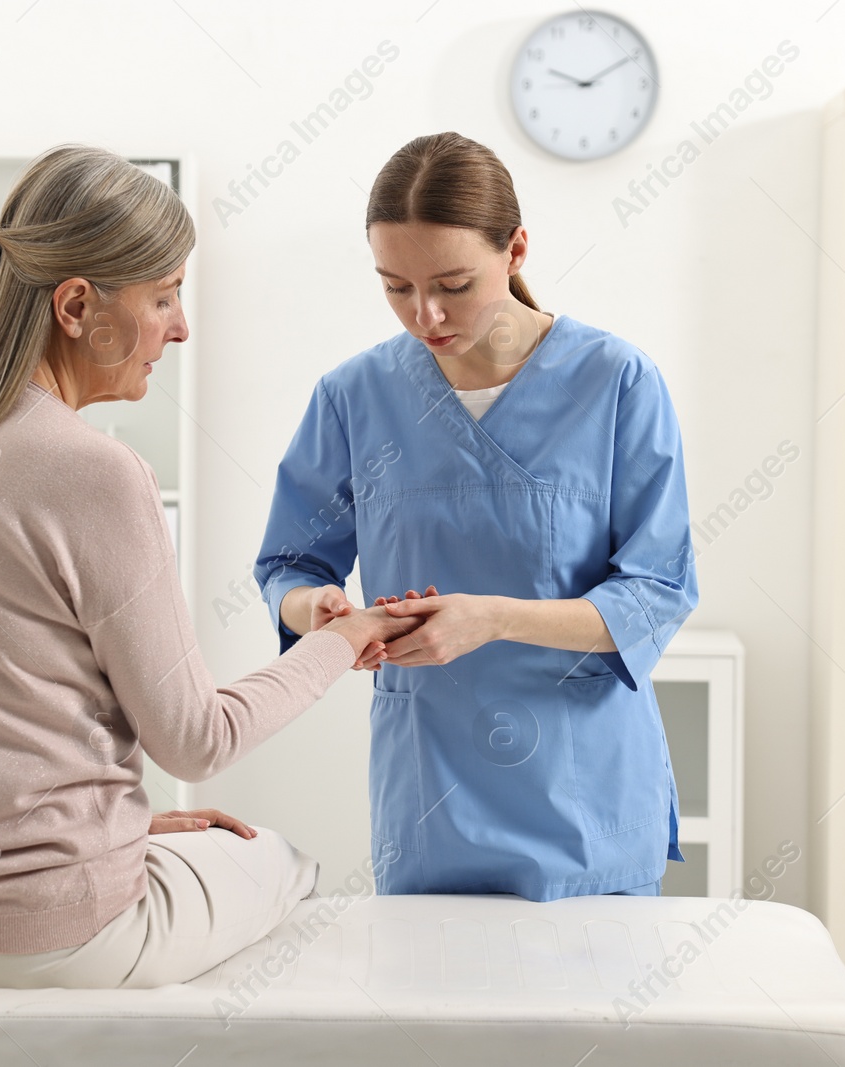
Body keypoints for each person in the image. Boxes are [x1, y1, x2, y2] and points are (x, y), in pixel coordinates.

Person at [0, 144, 417, 990]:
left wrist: (131, 826)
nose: (181, 327)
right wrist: (350, 638)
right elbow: (198, 737)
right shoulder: (95, 473)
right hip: (28, 935)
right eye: (164, 296)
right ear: (78, 304)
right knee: (283, 861)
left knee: (190, 838)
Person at [254, 131, 699, 900]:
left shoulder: (616, 382)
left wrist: (491, 617)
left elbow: (656, 589)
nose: (425, 314)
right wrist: (315, 604)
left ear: (516, 249)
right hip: (433, 790)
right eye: (395, 286)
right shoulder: (355, 396)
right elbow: (291, 563)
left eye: (453, 283)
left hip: (582, 785)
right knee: (431, 1010)